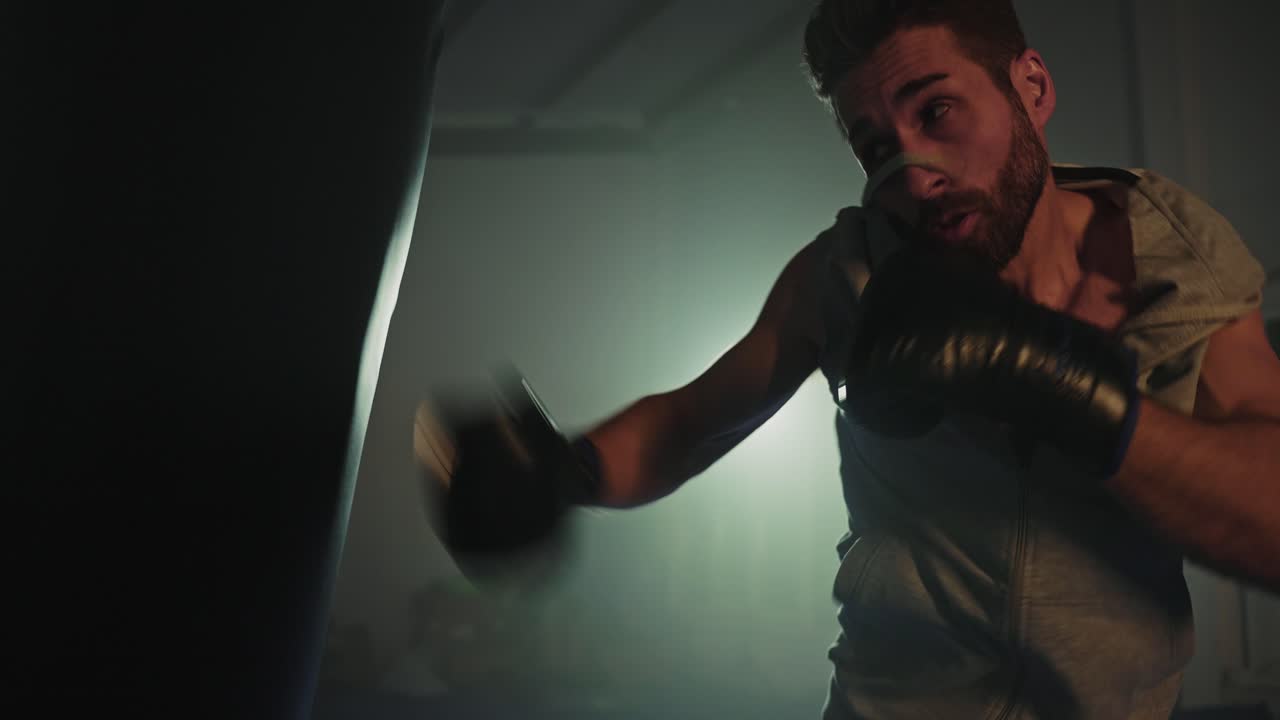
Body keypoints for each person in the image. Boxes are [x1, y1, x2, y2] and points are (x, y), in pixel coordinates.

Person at [420, 0, 1280, 717]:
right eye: (876, 146)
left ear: (1032, 87)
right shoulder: (851, 272)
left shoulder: (1175, 258)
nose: (912, 175)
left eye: (936, 111)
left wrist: (1067, 391)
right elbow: (689, 421)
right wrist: (564, 475)